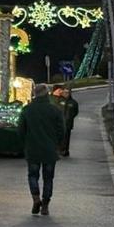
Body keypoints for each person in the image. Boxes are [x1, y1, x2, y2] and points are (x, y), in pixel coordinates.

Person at [18, 83, 66, 215]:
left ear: (34, 94)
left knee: (33, 175)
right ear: (47, 94)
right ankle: (45, 204)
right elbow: (62, 130)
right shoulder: (55, 110)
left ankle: (35, 199)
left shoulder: (27, 110)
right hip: (50, 150)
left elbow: (21, 130)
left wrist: (25, 144)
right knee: (48, 178)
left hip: (32, 149)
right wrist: (58, 144)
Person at [51, 84, 79, 157]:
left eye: (67, 92)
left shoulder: (73, 102)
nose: (66, 94)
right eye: (64, 92)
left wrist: (70, 117)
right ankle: (59, 149)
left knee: (66, 137)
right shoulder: (59, 101)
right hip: (59, 122)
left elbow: (76, 112)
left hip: (68, 123)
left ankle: (65, 150)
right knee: (59, 136)